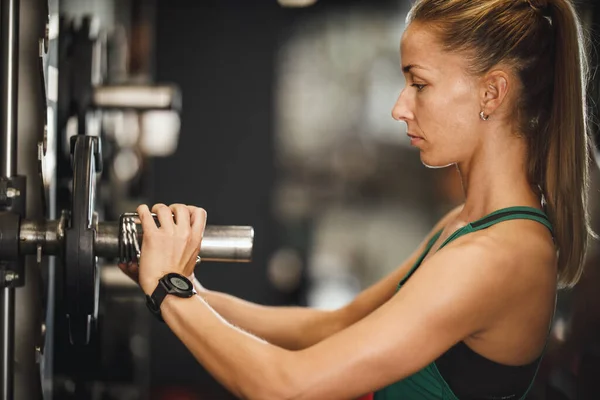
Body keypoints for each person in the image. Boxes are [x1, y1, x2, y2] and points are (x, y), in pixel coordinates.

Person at [118, 0, 594, 398]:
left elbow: (287, 388)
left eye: (419, 83)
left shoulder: (498, 256)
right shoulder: (466, 226)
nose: (399, 107)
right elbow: (333, 326)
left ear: (491, 93)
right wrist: (184, 287)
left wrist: (169, 289)